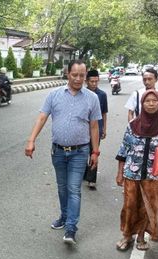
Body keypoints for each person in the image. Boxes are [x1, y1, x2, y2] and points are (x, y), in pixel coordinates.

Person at [24, 59, 101, 245]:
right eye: (74, 75)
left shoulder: (92, 98)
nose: (78, 79)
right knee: (62, 188)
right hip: (58, 151)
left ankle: (71, 228)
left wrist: (95, 152)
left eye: (82, 75)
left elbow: (94, 127)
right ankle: (64, 216)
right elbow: (42, 117)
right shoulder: (54, 95)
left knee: (74, 188)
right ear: (68, 74)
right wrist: (31, 140)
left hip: (79, 152)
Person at [115, 90, 158, 251]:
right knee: (130, 205)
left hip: (153, 175)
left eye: (154, 101)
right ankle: (127, 235)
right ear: (142, 104)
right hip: (131, 173)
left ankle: (141, 237)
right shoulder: (133, 124)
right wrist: (120, 172)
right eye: (147, 101)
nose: (151, 104)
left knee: (148, 206)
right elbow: (123, 150)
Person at [84, 69, 108, 189]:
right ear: (86, 81)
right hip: (82, 129)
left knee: (94, 152)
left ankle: (91, 179)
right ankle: (84, 174)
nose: (94, 84)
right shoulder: (81, 93)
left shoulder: (102, 95)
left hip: (96, 129)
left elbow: (104, 113)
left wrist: (104, 128)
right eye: (91, 81)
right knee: (83, 153)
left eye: (96, 81)